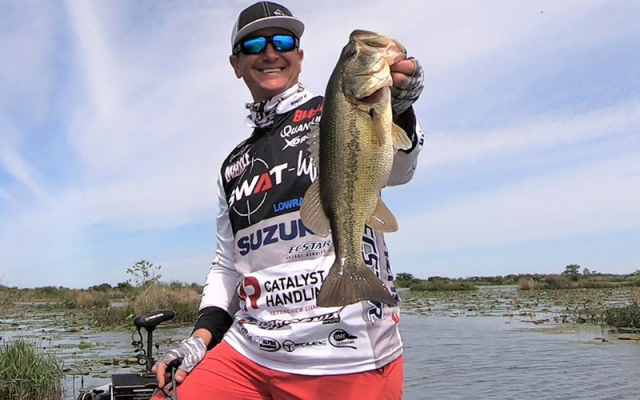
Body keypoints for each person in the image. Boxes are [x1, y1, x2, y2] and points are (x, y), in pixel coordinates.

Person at [152, 2, 425, 399]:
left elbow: (400, 170)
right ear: (236, 63)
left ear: (299, 55)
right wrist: (200, 337)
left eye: (282, 41)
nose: (269, 52)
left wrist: (401, 108)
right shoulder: (232, 165)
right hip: (248, 353)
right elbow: (228, 263)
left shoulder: (332, 110)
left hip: (345, 356)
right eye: (254, 44)